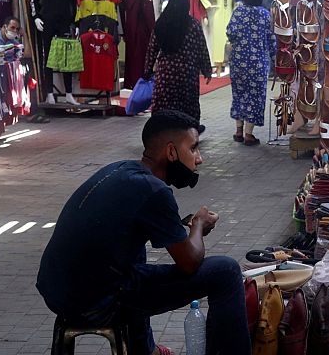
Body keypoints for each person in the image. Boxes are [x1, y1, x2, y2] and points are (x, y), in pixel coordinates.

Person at [36, 110, 251, 355]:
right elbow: (189, 263)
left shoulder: (121, 169)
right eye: (193, 149)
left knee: (135, 254)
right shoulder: (154, 191)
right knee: (226, 271)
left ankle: (145, 349)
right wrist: (199, 226)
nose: (199, 159)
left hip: (57, 290)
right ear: (171, 152)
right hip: (92, 302)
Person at [144, 0, 212, 124]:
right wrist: (206, 69)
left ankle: (163, 130)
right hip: (188, 73)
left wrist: (147, 70)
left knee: (165, 104)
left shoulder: (161, 24)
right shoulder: (193, 25)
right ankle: (188, 130)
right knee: (188, 104)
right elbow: (201, 48)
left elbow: (152, 49)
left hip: (166, 73)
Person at [226, 0, 276, 146]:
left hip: (239, 62)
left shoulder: (238, 12)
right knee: (255, 97)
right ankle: (249, 134)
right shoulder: (265, 14)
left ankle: (238, 131)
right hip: (258, 64)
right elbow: (271, 39)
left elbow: (230, 32)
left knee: (239, 94)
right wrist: (276, 57)